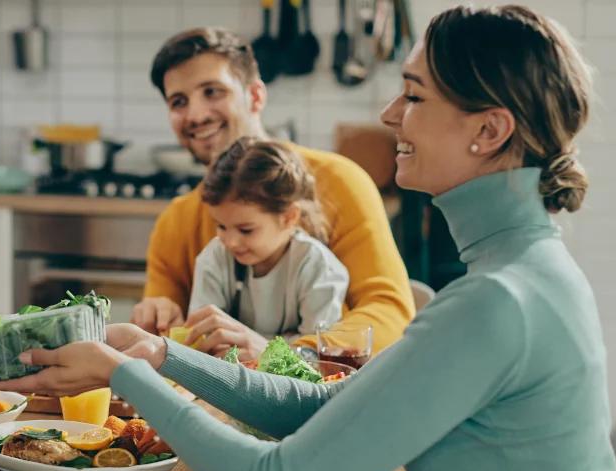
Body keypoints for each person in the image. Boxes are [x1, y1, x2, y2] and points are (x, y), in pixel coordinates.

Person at [0, 6, 616, 471]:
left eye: (413, 95)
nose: (388, 115)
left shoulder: (495, 300)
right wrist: (164, 356)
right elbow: (333, 405)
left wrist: (125, 376)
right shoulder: (524, 271)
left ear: (488, 131)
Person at [131, 27, 413, 358]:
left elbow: (389, 313)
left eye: (212, 91)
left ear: (255, 96)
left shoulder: (340, 182)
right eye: (179, 102)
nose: (196, 115)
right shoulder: (175, 222)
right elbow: (171, 344)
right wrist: (159, 315)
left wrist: (283, 356)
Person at [188, 137, 347, 357]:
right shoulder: (214, 257)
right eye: (221, 226)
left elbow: (316, 358)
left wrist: (266, 353)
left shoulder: (318, 267)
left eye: (246, 230)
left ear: (289, 217)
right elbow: (202, 340)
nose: (230, 242)